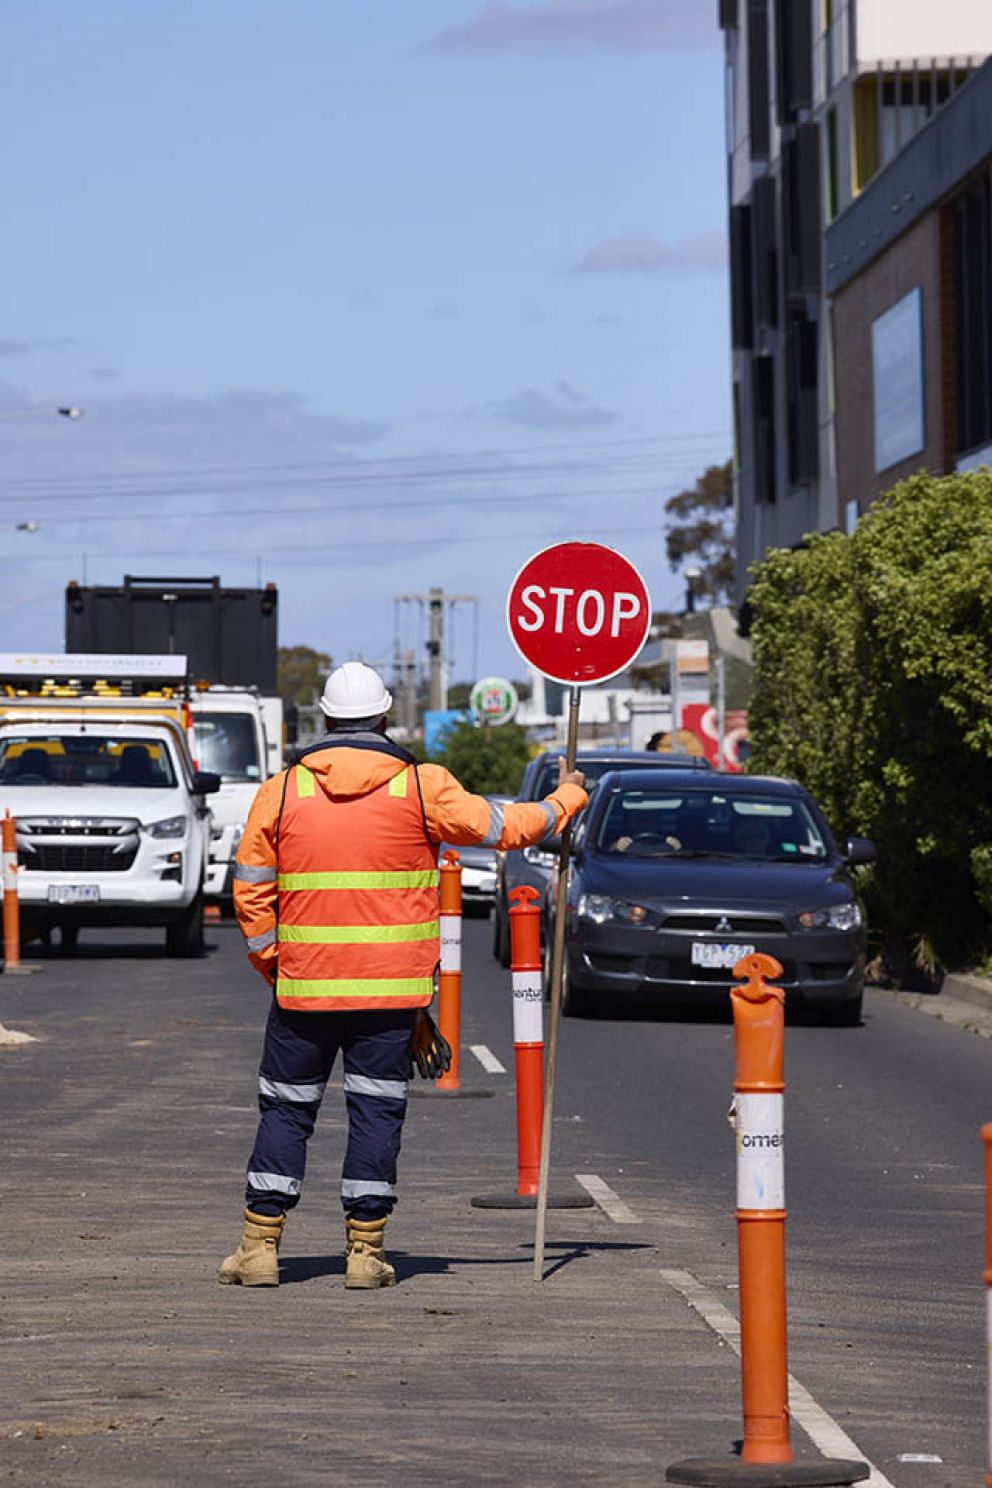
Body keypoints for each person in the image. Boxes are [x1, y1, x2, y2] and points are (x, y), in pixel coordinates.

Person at [220, 662, 587, 1291]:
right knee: (375, 1113)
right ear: (385, 718)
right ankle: (365, 1254)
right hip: (390, 998)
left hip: (304, 990)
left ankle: (259, 1248)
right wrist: (565, 801)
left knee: (285, 1113)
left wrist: (276, 966)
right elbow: (501, 829)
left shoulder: (281, 791)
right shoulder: (421, 787)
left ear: (326, 720)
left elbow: (251, 892)